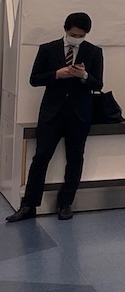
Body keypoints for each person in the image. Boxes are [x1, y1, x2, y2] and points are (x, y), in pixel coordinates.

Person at [8, 13, 103, 223]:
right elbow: (34, 79)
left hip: (79, 113)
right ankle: (29, 205)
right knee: (41, 157)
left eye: (81, 35)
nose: (76, 38)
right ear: (65, 30)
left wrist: (84, 76)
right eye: (73, 34)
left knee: (75, 158)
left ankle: (65, 204)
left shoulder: (94, 52)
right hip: (52, 112)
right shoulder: (47, 49)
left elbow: (98, 84)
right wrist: (56, 74)